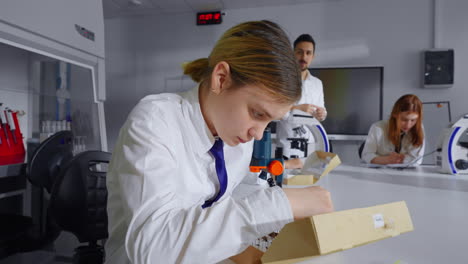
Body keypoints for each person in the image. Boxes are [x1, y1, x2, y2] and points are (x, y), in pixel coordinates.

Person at [105, 21, 334, 264]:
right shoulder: (155, 121)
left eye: (270, 122)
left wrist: (273, 222)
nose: (258, 134)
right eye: (258, 114)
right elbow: (152, 249)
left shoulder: (234, 135)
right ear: (221, 79)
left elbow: (236, 197)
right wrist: (280, 203)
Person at [276, 34, 327, 169]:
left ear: (313, 56)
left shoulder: (317, 83)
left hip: (310, 148)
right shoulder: (281, 80)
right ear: (293, 54)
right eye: (299, 52)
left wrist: (322, 114)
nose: (303, 57)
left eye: (308, 53)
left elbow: (321, 110)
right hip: (287, 148)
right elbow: (274, 112)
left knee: (310, 185)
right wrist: (296, 109)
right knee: (284, 187)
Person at [361, 94, 425, 165]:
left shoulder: (418, 128)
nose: (408, 125)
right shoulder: (377, 127)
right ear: (395, 115)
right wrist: (387, 160)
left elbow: (417, 160)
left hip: (406, 173)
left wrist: (398, 160)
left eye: (413, 120)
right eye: (404, 120)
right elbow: (366, 156)